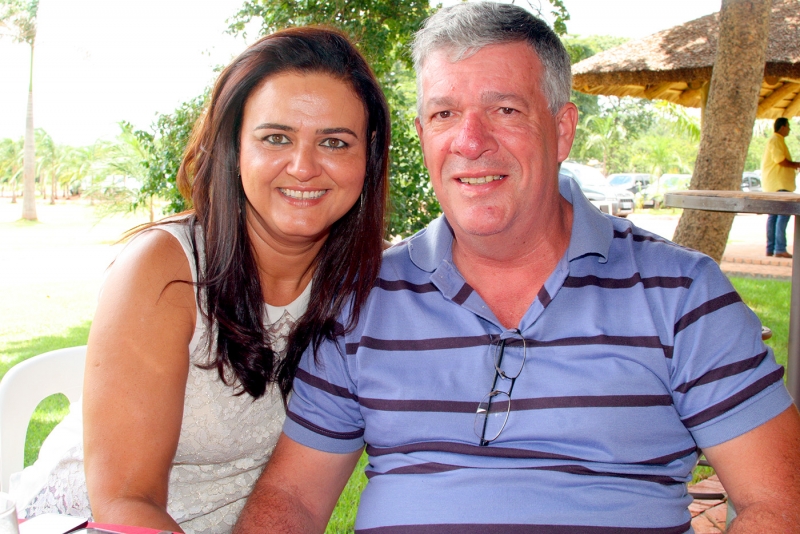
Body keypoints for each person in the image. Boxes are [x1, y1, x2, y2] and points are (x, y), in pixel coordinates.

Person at [234, 3, 800, 533]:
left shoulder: (680, 294)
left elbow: (780, 501)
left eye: (505, 110)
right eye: (445, 114)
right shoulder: (362, 298)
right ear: (423, 134)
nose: (470, 141)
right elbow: (293, 497)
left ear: (562, 130)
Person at [10, 27, 389, 534]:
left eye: (334, 142)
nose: (303, 167)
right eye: (276, 138)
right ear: (234, 147)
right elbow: (125, 503)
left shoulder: (373, 285)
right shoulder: (165, 269)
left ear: (368, 157)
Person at [763, 117, 800, 258]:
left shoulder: (776, 140)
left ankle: (771, 248)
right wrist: (796, 164)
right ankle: (779, 248)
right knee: (782, 216)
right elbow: (781, 161)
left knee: (773, 217)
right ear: (783, 126)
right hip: (780, 185)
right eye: (788, 126)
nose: (789, 129)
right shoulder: (776, 140)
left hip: (774, 184)